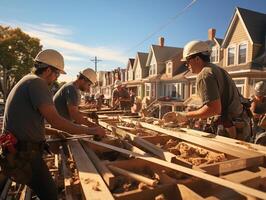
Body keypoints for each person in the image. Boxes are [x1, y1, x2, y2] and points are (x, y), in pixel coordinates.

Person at [1, 49, 106, 200]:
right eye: (57, 74)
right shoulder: (37, 83)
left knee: (44, 190)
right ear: (48, 69)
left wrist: (54, 132)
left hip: (17, 150)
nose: (56, 78)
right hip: (23, 154)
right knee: (50, 193)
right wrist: (93, 130)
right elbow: (56, 120)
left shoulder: (28, 80)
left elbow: (30, 124)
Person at [163, 40, 251, 141]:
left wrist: (185, 115)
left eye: (187, 61)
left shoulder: (204, 75)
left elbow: (213, 109)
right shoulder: (217, 69)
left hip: (230, 128)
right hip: (239, 124)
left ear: (197, 58)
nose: (186, 65)